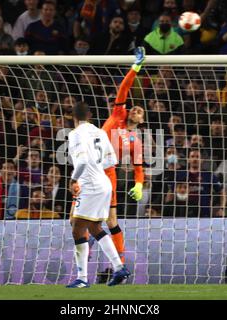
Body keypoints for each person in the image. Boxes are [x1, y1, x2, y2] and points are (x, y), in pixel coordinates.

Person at [67, 101, 129, 288]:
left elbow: (83, 161)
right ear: (90, 116)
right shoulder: (100, 132)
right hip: (105, 183)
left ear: (73, 117)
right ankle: (119, 267)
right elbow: (113, 159)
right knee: (95, 227)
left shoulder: (75, 134)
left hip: (90, 184)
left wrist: (73, 180)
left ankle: (82, 278)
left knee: (77, 228)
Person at [98, 47, 146, 263]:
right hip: (90, 168)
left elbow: (138, 169)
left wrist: (139, 184)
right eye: (134, 108)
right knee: (81, 220)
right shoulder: (118, 113)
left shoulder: (135, 141)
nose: (135, 110)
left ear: (142, 121)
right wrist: (135, 67)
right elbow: (124, 87)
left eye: (140, 112)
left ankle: (121, 265)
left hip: (108, 175)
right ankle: (85, 262)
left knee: (111, 221)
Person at [177, 148, 226, 217]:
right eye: (192, 156)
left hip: (204, 215)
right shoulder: (181, 175)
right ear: (188, 160)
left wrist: (222, 208)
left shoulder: (209, 175)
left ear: (202, 160)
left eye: (197, 157)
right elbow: (172, 192)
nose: (195, 159)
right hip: (183, 214)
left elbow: (222, 192)